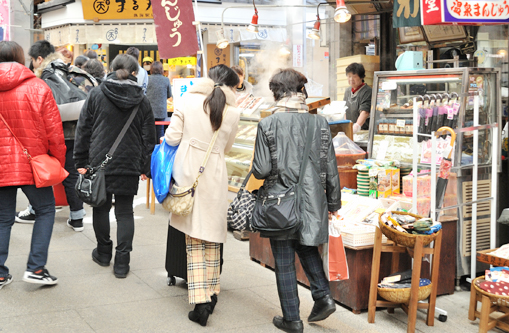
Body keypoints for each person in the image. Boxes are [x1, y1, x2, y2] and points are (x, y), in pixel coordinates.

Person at [0, 41, 66, 291]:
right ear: (22, 58)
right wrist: (57, 160)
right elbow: (54, 132)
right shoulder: (38, 87)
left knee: (1, 218)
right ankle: (36, 268)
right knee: (45, 211)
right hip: (33, 164)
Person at [251, 69, 341, 333]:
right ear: (301, 91)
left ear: (276, 93)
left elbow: (260, 169)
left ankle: (292, 319)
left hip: (279, 202)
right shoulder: (320, 123)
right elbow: (331, 168)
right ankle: (323, 296)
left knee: (284, 259)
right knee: (305, 245)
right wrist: (334, 205)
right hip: (313, 200)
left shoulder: (267, 124)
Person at [164, 64, 240, 327]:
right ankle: (212, 291)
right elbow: (227, 147)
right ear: (231, 86)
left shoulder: (188, 100)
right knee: (212, 235)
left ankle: (201, 304)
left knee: (193, 237)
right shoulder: (233, 111)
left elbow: (172, 138)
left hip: (188, 171)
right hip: (215, 174)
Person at [74, 54, 156, 278]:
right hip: (129, 163)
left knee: (100, 207)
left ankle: (102, 252)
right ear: (135, 73)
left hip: (100, 162)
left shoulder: (97, 94)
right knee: (124, 212)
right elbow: (149, 138)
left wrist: (80, 161)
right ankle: (122, 262)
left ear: (111, 69)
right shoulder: (142, 99)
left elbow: (84, 130)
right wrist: (143, 166)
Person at [15, 40, 94, 231]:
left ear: (39, 59)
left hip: (54, 133)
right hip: (79, 133)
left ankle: (35, 209)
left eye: (33, 60)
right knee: (72, 175)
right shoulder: (74, 71)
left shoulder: (42, 77)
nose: (32, 64)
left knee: (40, 171)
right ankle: (77, 217)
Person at [147, 61, 172, 142]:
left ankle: (150, 152)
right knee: (160, 131)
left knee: (149, 131)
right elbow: (169, 95)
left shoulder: (147, 79)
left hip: (149, 110)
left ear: (151, 69)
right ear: (161, 69)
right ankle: (160, 151)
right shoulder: (166, 80)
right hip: (161, 111)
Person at [343, 62, 372, 133]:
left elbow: (365, 112)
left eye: (354, 76)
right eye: (349, 76)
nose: (351, 79)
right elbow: (344, 110)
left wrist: (357, 126)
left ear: (361, 77)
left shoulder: (367, 91)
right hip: (350, 130)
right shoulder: (347, 91)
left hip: (364, 131)